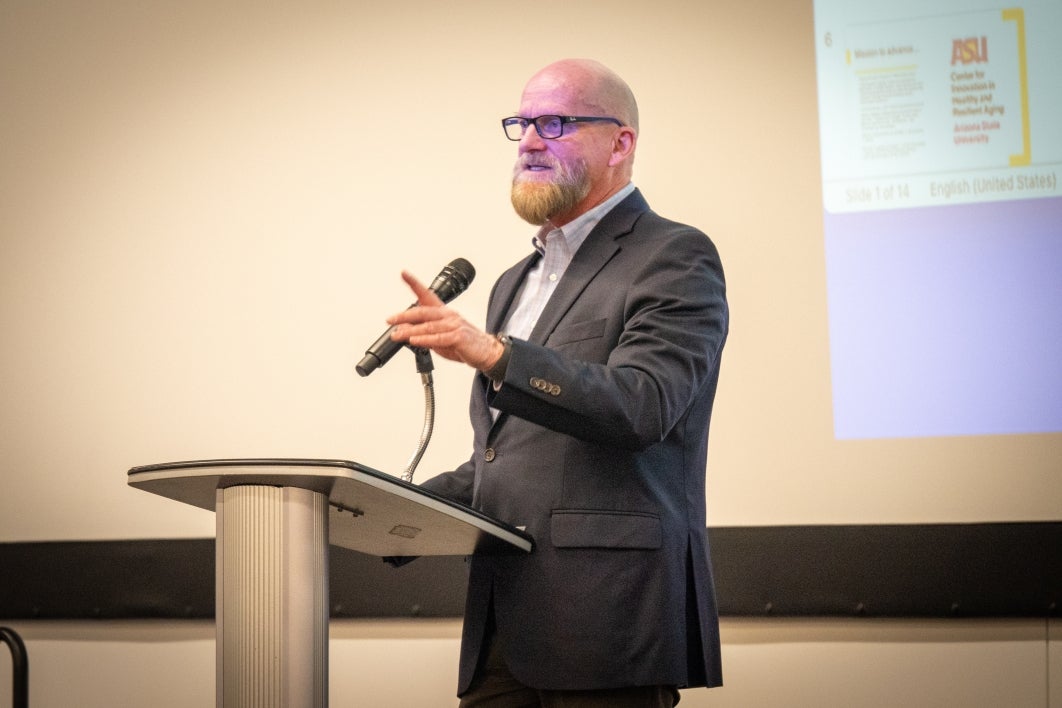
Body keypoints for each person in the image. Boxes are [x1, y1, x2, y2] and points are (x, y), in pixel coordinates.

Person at [385, 58, 728, 707]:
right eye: (522, 124)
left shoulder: (674, 256)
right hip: (501, 629)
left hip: (608, 623)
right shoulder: (513, 281)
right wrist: (390, 514)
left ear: (621, 142)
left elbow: (643, 404)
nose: (532, 141)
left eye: (557, 122)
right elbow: (513, 459)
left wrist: (495, 355)